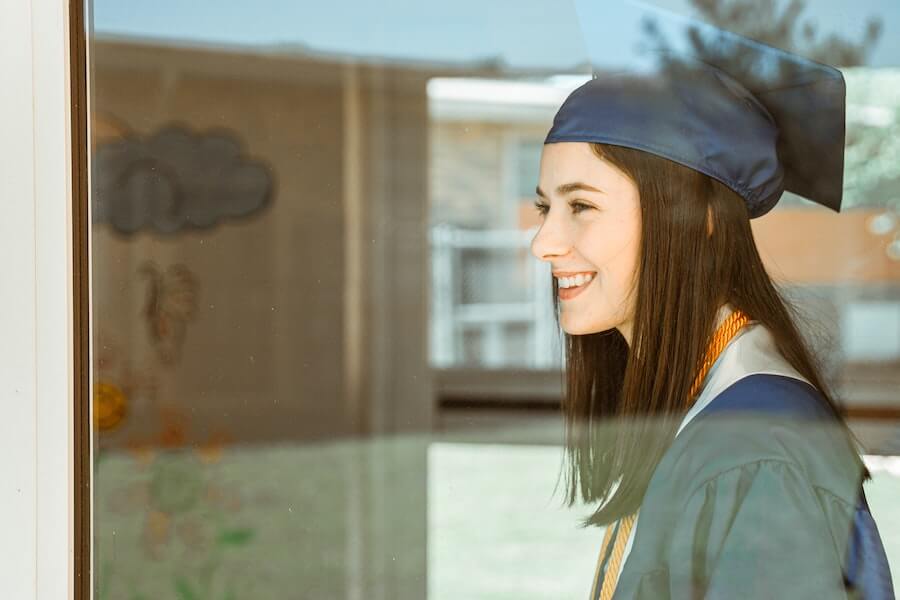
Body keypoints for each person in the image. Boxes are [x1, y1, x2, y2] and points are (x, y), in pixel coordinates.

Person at [529, 7, 895, 600]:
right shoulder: (701, 408)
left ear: (692, 216)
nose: (543, 242)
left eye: (582, 206)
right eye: (546, 206)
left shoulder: (758, 450)